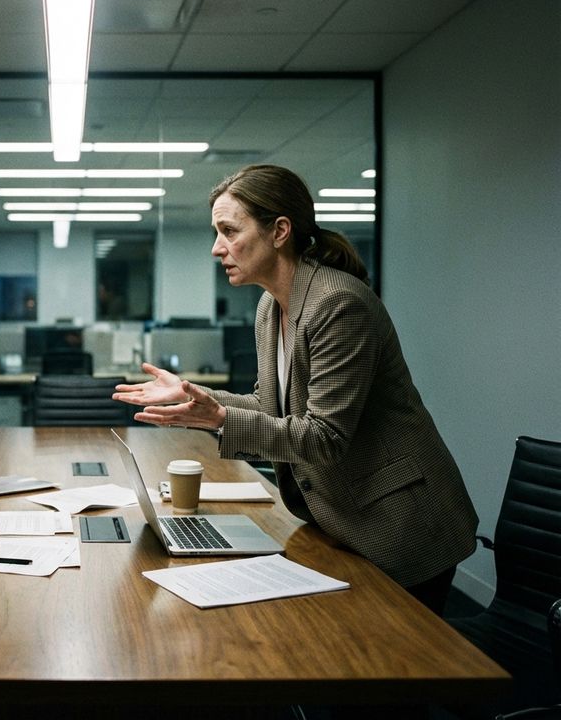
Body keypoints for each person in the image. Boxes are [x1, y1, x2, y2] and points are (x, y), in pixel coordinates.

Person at [113, 164, 477, 615]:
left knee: (398, 676)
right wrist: (193, 396)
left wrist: (219, 418)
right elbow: (271, 407)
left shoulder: (337, 303)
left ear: (279, 231)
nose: (216, 248)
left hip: (401, 524)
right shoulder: (271, 306)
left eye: (229, 230)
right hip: (340, 518)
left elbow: (323, 437)